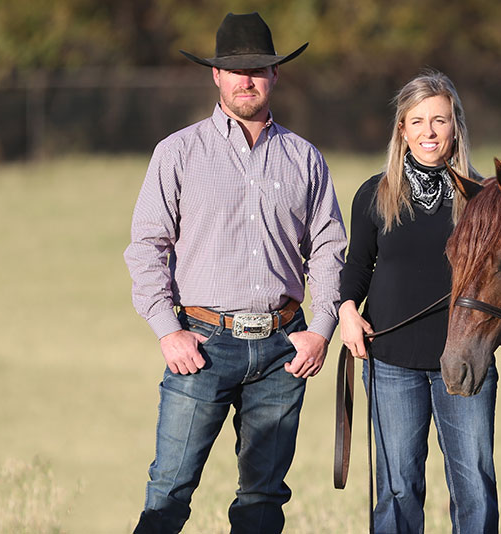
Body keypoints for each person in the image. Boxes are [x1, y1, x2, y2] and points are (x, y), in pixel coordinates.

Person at [123, 12, 346, 534]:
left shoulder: (305, 159)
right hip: (200, 346)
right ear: (216, 76)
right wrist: (167, 330)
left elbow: (329, 249)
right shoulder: (178, 152)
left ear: (275, 76)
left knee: (263, 501)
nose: (248, 79)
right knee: (168, 493)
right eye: (236, 70)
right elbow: (146, 247)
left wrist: (320, 330)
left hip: (282, 352)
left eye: (259, 69)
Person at [338, 70, 498, 533]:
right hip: (389, 362)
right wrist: (347, 311)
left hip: (465, 361)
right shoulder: (375, 193)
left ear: (456, 127)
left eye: (440, 121)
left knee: (474, 486)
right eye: (418, 121)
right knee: (398, 487)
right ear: (402, 130)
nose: (429, 132)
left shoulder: (485, 198)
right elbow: (357, 266)